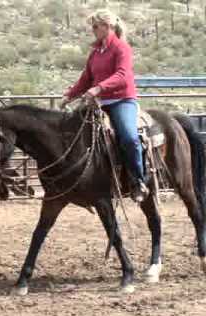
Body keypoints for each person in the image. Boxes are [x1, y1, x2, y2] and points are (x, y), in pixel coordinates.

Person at [60, 9, 149, 203]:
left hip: (122, 100)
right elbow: (86, 79)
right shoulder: (95, 53)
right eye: (92, 27)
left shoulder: (121, 48)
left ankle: (138, 180)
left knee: (129, 137)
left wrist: (98, 88)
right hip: (99, 102)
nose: (92, 30)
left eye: (95, 26)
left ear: (107, 26)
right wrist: (70, 95)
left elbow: (122, 75)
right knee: (73, 134)